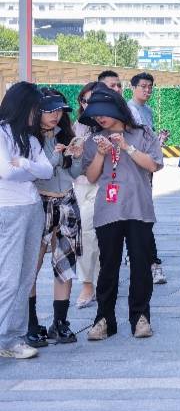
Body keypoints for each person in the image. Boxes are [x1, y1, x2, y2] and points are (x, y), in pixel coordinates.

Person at [80, 86, 164, 341]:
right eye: (95, 116)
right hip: (108, 210)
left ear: (116, 109)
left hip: (138, 208)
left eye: (102, 114)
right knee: (108, 266)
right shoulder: (94, 141)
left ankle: (140, 317)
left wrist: (127, 147)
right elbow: (92, 177)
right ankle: (104, 319)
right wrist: (101, 154)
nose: (99, 119)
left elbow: (153, 165)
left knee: (140, 265)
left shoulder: (142, 134)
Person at [25, 90, 83, 348]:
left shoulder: (66, 134)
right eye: (50, 111)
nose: (56, 116)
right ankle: (31, 323)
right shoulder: (28, 139)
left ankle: (60, 322)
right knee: (32, 266)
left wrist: (77, 155)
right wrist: (58, 154)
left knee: (65, 264)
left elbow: (74, 173)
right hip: (41, 202)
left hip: (67, 201)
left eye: (59, 111)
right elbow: (39, 172)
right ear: (37, 111)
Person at [0, 83, 52, 359]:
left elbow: (46, 169)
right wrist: (25, 168)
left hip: (33, 209)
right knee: (8, 277)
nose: (38, 112)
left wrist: (25, 165)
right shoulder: (2, 133)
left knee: (25, 276)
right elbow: (6, 173)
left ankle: (12, 338)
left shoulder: (30, 139)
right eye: (35, 107)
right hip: (9, 209)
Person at [128, 72, 167, 286]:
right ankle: (151, 262)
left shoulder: (148, 111)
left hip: (146, 169)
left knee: (142, 215)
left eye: (150, 87)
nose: (147, 90)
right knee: (141, 217)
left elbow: (147, 140)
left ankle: (139, 255)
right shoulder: (129, 110)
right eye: (143, 86)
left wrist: (158, 141)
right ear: (132, 87)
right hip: (132, 171)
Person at [73, 82, 101, 310]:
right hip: (80, 186)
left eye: (92, 100)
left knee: (94, 234)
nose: (88, 105)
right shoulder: (78, 127)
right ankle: (88, 283)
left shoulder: (111, 125)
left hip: (104, 186)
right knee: (86, 235)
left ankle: (93, 282)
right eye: (84, 100)